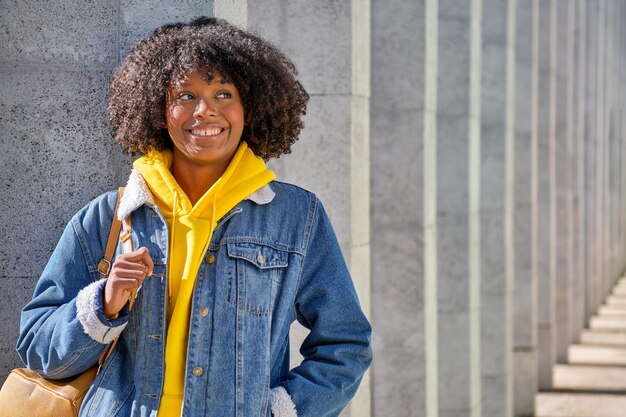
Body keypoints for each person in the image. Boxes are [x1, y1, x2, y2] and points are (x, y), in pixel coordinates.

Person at [16, 17, 372, 417]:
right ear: (157, 109)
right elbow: (37, 349)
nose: (204, 111)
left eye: (223, 93)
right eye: (185, 95)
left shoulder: (296, 218)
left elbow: (346, 343)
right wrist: (104, 303)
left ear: (250, 107)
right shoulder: (109, 217)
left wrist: (281, 411)